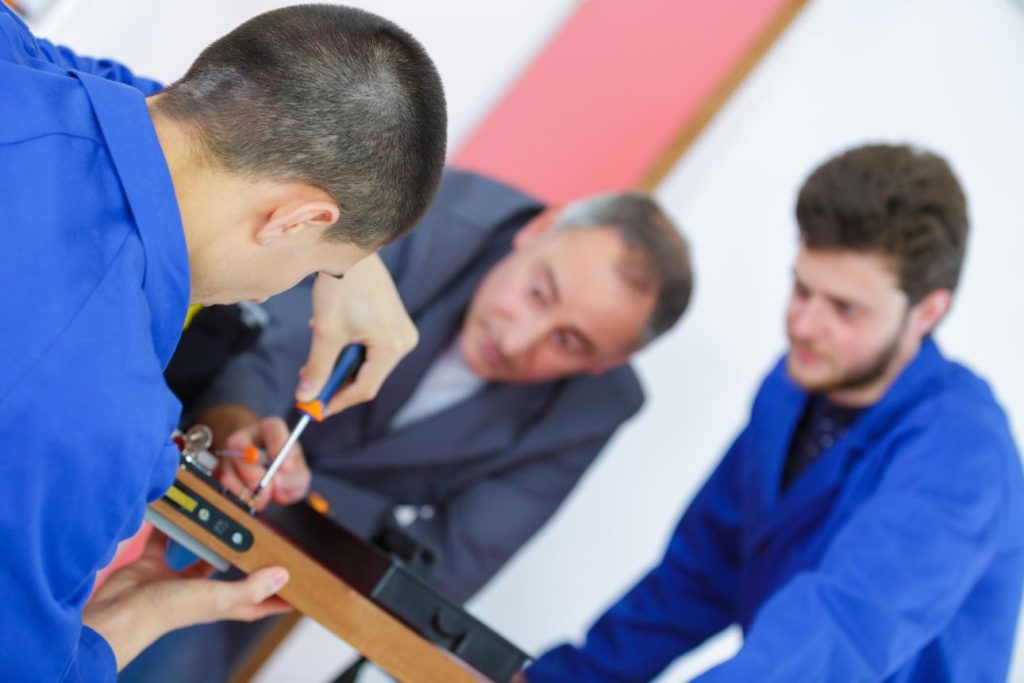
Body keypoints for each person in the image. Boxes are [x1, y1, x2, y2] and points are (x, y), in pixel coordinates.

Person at [0, 4, 446, 680]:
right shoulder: (104, 419)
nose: (275, 294)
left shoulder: (15, 57)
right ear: (298, 218)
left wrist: (357, 261)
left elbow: (142, 101)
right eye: (318, 266)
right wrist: (139, 613)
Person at [121, 168, 694, 682]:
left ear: (605, 363)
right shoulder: (429, 207)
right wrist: (242, 425)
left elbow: (448, 572)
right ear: (538, 229)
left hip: (302, 567)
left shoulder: (597, 406)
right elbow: (268, 344)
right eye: (538, 291)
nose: (516, 341)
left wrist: (305, 503)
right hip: (174, 431)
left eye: (568, 343)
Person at [522, 144, 1024, 682]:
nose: (804, 324)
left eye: (844, 308)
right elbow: (699, 575)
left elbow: (835, 637)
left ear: (928, 311)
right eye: (802, 288)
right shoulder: (791, 388)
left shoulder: (962, 455)